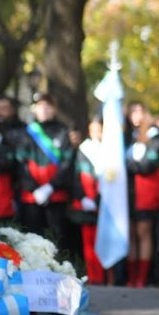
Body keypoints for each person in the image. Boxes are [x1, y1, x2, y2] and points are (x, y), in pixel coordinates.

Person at [16, 93, 75, 242]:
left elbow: (67, 163)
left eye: (48, 106)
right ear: (34, 109)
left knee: (57, 240)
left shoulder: (63, 132)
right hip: (32, 197)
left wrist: (50, 187)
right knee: (31, 240)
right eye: (41, 106)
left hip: (56, 196)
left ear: (54, 109)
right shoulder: (27, 133)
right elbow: (20, 163)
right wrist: (33, 188)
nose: (44, 110)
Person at [126, 102, 159, 288]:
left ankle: (142, 277)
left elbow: (151, 163)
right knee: (131, 233)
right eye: (132, 111)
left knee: (144, 232)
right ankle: (132, 277)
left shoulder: (152, 135)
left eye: (139, 111)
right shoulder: (127, 136)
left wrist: (131, 165)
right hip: (129, 193)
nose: (135, 115)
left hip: (146, 193)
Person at [69, 118, 104, 285]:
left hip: (103, 205)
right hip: (86, 203)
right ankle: (92, 274)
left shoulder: (110, 149)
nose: (96, 132)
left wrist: (98, 199)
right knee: (87, 242)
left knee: (101, 240)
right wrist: (82, 197)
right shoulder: (83, 150)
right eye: (93, 129)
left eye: (99, 129)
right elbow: (76, 176)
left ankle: (105, 276)